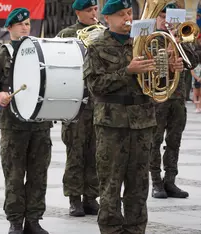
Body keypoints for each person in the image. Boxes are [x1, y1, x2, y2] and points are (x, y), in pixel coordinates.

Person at [84, 0, 184, 233]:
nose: (127, 18)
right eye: (120, 15)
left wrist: (169, 68)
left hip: (143, 122)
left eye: (129, 13)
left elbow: (158, 84)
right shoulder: (97, 46)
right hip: (111, 124)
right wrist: (127, 72)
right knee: (110, 183)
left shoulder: (147, 42)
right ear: (107, 18)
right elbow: (95, 86)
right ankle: (111, 229)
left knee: (139, 184)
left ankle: (136, 229)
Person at [0, 8, 52, 234]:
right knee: (14, 175)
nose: (25, 28)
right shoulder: (2, 53)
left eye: (28, 24)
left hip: (40, 124)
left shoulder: (42, 51)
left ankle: (34, 219)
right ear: (9, 28)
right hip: (13, 125)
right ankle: (15, 221)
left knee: (39, 174)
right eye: (20, 25)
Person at [149, 3, 199, 199]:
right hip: (157, 98)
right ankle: (156, 181)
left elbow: (194, 60)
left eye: (168, 17)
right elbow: (141, 64)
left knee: (174, 140)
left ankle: (170, 180)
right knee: (154, 141)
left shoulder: (181, 38)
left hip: (177, 98)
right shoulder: (150, 39)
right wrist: (164, 61)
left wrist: (180, 53)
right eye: (161, 16)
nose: (165, 20)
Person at [56, 0, 99, 217]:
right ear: (78, 12)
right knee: (75, 152)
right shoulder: (66, 34)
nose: (94, 13)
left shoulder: (103, 33)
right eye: (89, 10)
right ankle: (74, 198)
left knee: (96, 153)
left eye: (95, 9)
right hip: (75, 102)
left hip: (98, 103)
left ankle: (91, 197)